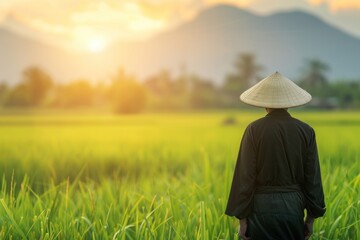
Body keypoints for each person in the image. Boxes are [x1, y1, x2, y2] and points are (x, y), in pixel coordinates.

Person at [225, 72, 326, 240]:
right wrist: (311, 218)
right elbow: (312, 178)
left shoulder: (254, 130)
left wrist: (242, 220)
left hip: (260, 208)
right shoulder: (306, 131)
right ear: (289, 103)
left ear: (264, 104)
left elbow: (245, 176)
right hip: (293, 208)